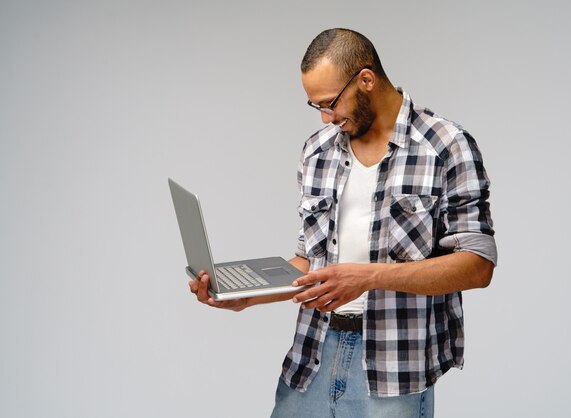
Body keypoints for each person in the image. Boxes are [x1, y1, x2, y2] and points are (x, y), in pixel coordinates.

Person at [189, 28, 497, 418]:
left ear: (366, 80)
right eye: (315, 106)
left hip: (394, 370)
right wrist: (246, 296)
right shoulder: (317, 151)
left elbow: (478, 265)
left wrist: (368, 278)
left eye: (331, 102)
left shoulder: (446, 146)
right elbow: (309, 264)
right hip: (313, 354)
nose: (326, 117)